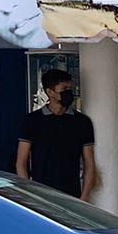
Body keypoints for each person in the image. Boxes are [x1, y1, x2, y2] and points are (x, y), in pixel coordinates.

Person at [16, 69, 96, 201]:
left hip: (72, 195)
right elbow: (21, 162)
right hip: (41, 195)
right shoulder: (32, 121)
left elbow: (89, 163)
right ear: (50, 92)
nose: (68, 93)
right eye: (64, 89)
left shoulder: (82, 122)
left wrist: (85, 195)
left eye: (70, 88)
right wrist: (30, 195)